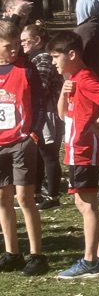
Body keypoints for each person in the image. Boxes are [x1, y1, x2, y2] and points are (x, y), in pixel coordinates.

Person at [50, 31, 99, 279]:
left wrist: (98, 120)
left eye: (55, 56)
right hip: (74, 149)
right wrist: (63, 90)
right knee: (82, 204)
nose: (53, 62)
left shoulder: (86, 80)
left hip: (85, 149)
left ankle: (90, 261)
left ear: (71, 55)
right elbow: (62, 115)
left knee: (87, 205)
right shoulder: (73, 80)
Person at [0, 20, 47, 276]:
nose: (15, 50)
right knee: (2, 198)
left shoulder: (27, 69)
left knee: (24, 198)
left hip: (21, 142)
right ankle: (12, 253)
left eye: (18, 44)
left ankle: (37, 254)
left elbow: (41, 103)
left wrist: (34, 133)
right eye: (9, 46)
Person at [20, 23, 63, 209]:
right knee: (37, 153)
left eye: (24, 40)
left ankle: (53, 197)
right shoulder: (34, 58)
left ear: (36, 40)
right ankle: (36, 193)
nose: (21, 44)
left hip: (49, 112)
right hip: (39, 112)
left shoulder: (43, 58)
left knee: (49, 154)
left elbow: (42, 88)